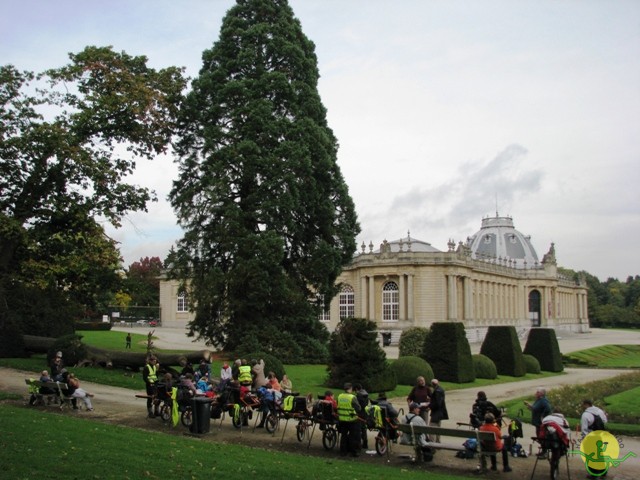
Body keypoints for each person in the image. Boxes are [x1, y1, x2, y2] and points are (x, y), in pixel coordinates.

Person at [337, 383, 362, 457]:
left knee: (343, 435)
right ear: (350, 389)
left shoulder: (339, 396)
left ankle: (343, 452)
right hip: (351, 419)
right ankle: (353, 451)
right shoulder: (352, 397)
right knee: (353, 436)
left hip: (342, 419)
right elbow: (358, 408)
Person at [354, 383, 370, 450]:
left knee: (358, 429)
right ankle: (365, 443)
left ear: (356, 389)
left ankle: (358, 444)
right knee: (364, 428)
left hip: (359, 413)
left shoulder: (358, 395)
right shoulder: (366, 394)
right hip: (365, 413)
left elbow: (357, 405)